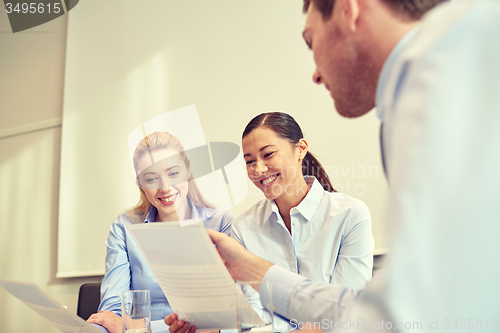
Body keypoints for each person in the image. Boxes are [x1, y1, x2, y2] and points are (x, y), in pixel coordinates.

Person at [184, 0, 500, 332]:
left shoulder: (448, 84)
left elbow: (407, 310)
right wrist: (249, 277)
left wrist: (258, 274)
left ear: (349, 10)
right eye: (249, 160)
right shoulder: (417, 92)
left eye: (310, 42)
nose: (316, 74)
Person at [234, 112, 373, 332]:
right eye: (250, 161)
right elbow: (251, 318)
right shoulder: (242, 228)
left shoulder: (350, 215)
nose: (258, 169)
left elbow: (346, 312)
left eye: (268, 154)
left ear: (300, 149)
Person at [87, 131, 234, 333]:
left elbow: (226, 318)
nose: (165, 188)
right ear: (140, 183)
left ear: (188, 170)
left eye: (173, 174)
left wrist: (142, 327)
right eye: (151, 179)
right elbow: (111, 313)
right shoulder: (124, 226)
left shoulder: (222, 224)